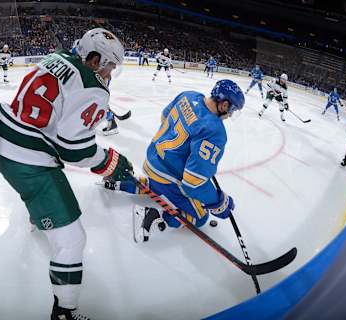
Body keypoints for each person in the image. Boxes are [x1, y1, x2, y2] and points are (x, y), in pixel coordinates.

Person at [0, 28, 132, 320]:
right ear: (93, 59)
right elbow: (73, 150)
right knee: (72, 240)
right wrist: (111, 161)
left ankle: (38, 217)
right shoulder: (94, 87)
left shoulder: (57, 57)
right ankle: (64, 313)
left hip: (1, 138)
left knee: (39, 192)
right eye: (110, 65)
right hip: (25, 158)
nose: (110, 73)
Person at [100, 80, 245, 242]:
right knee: (201, 217)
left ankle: (123, 183)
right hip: (167, 176)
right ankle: (155, 217)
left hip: (151, 161)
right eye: (231, 110)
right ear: (224, 105)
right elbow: (192, 183)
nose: (229, 115)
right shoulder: (215, 130)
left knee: (157, 185)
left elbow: (164, 117)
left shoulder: (189, 95)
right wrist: (219, 202)